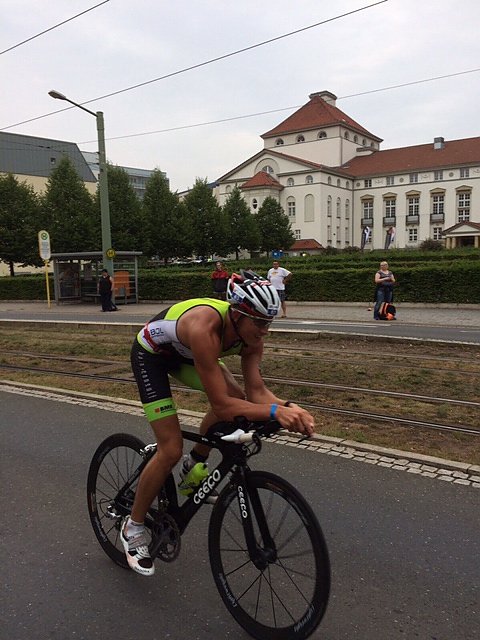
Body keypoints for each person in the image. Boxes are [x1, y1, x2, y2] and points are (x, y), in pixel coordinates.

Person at [122, 271, 315, 576]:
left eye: (270, 322)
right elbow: (221, 406)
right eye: (260, 323)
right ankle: (132, 527)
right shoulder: (205, 328)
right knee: (170, 449)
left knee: (241, 401)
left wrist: (288, 407)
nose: (265, 331)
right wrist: (274, 412)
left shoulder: (252, 337)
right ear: (237, 315)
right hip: (153, 356)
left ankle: (194, 465)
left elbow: (256, 393)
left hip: (189, 355)